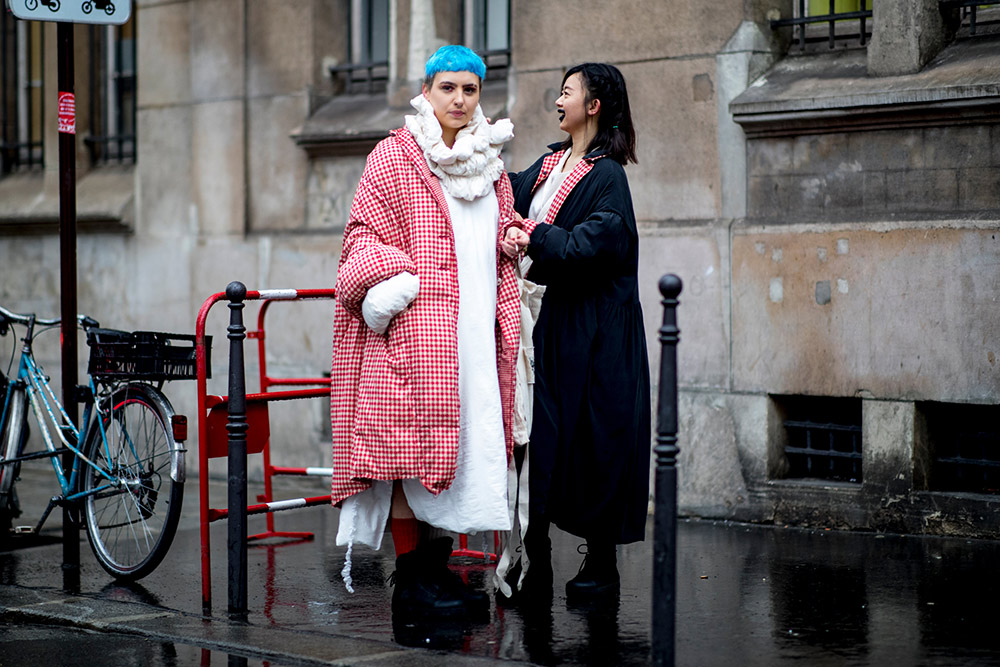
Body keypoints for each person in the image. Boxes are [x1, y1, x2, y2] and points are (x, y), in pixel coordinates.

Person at [328, 45, 521, 620]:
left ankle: (436, 574)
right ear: (427, 90)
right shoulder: (394, 155)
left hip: (475, 337)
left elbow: (495, 222)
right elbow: (359, 241)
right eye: (449, 88)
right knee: (409, 455)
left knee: (457, 453)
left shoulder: (491, 161)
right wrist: (401, 282)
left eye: (470, 89)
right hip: (419, 336)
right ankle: (410, 582)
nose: (460, 100)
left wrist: (510, 233)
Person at [500, 62, 650, 602]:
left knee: (597, 437)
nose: (557, 100)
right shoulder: (548, 165)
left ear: (594, 106)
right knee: (541, 439)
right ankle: (534, 561)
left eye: (568, 92)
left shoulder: (608, 174)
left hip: (598, 331)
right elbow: (505, 196)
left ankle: (602, 565)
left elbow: (598, 243)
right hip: (550, 325)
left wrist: (532, 233)